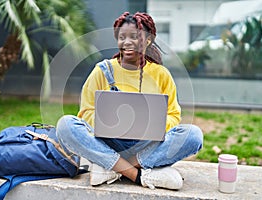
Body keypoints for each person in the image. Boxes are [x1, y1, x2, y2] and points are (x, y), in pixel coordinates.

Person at [56, 12, 203, 190]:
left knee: (193, 135)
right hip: (109, 143)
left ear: (148, 40)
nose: (126, 42)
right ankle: (138, 174)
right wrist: (108, 123)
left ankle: (114, 168)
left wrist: (151, 126)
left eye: (134, 37)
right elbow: (86, 112)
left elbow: (173, 115)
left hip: (147, 146)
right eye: (122, 37)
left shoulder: (161, 74)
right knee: (65, 125)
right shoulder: (102, 71)